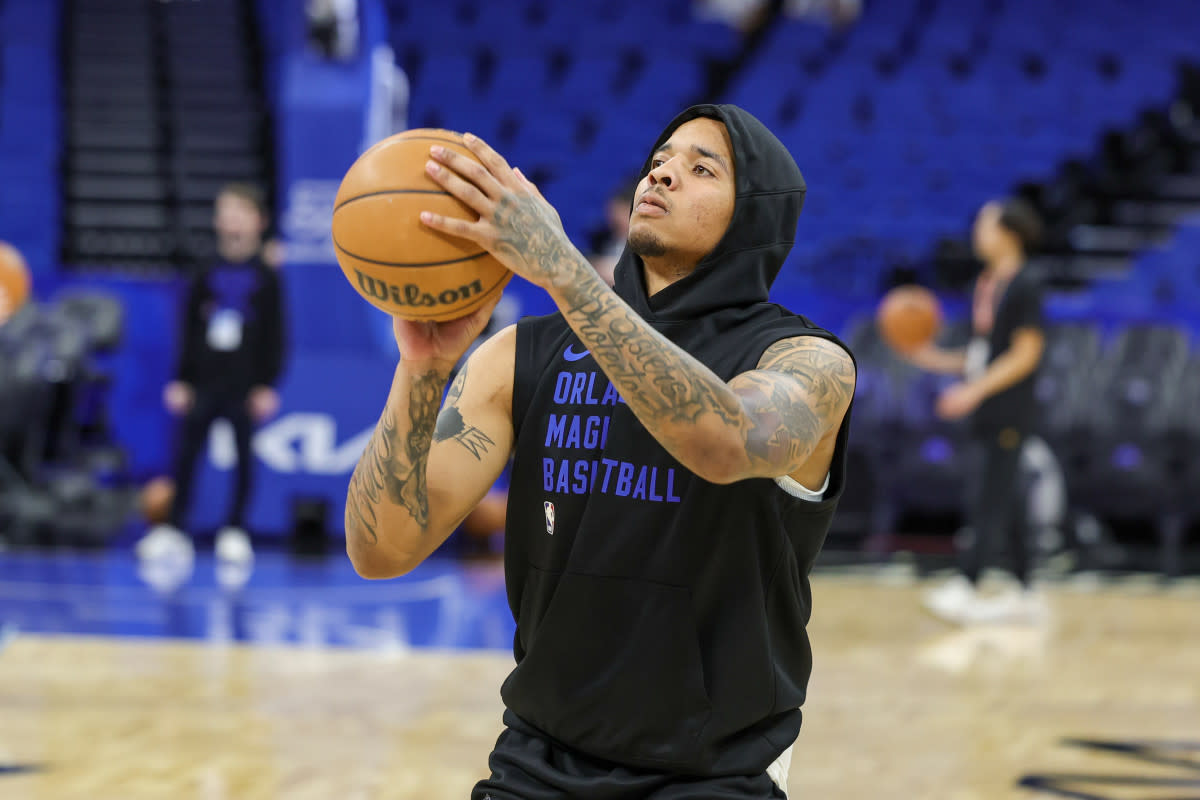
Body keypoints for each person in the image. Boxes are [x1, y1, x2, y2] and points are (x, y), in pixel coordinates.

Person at [346, 104, 856, 799]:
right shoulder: (522, 354)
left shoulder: (808, 362)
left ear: (755, 216)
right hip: (537, 762)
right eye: (661, 159)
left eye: (702, 167)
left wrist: (563, 271)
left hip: (714, 774)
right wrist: (424, 369)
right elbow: (382, 549)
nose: (664, 173)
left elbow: (727, 442)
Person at [906, 198, 1047, 625]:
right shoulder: (987, 283)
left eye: (985, 225)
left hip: (1010, 405)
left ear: (1009, 233)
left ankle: (969, 584)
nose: (976, 233)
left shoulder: (1027, 283)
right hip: (986, 403)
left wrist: (973, 390)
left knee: (987, 495)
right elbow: (981, 352)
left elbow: (1025, 354)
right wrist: (931, 357)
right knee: (1010, 496)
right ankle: (1025, 588)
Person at [137, 183, 287, 570]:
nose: (233, 220)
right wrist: (181, 378)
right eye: (227, 212)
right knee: (186, 454)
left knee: (243, 458)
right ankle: (174, 529)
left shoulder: (267, 276)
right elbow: (187, 329)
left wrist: (268, 384)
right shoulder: (204, 270)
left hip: (244, 384)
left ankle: (235, 529)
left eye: (242, 212)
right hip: (204, 380)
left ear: (259, 221)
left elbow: (277, 333)